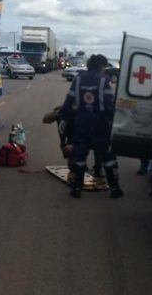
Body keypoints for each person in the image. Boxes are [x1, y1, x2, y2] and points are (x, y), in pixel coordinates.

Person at [60, 54, 122, 199]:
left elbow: (69, 100)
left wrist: (63, 117)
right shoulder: (104, 80)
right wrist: (114, 121)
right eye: (104, 66)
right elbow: (109, 104)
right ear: (101, 66)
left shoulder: (78, 78)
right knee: (107, 156)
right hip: (99, 123)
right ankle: (114, 189)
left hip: (81, 121)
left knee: (80, 155)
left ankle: (77, 189)